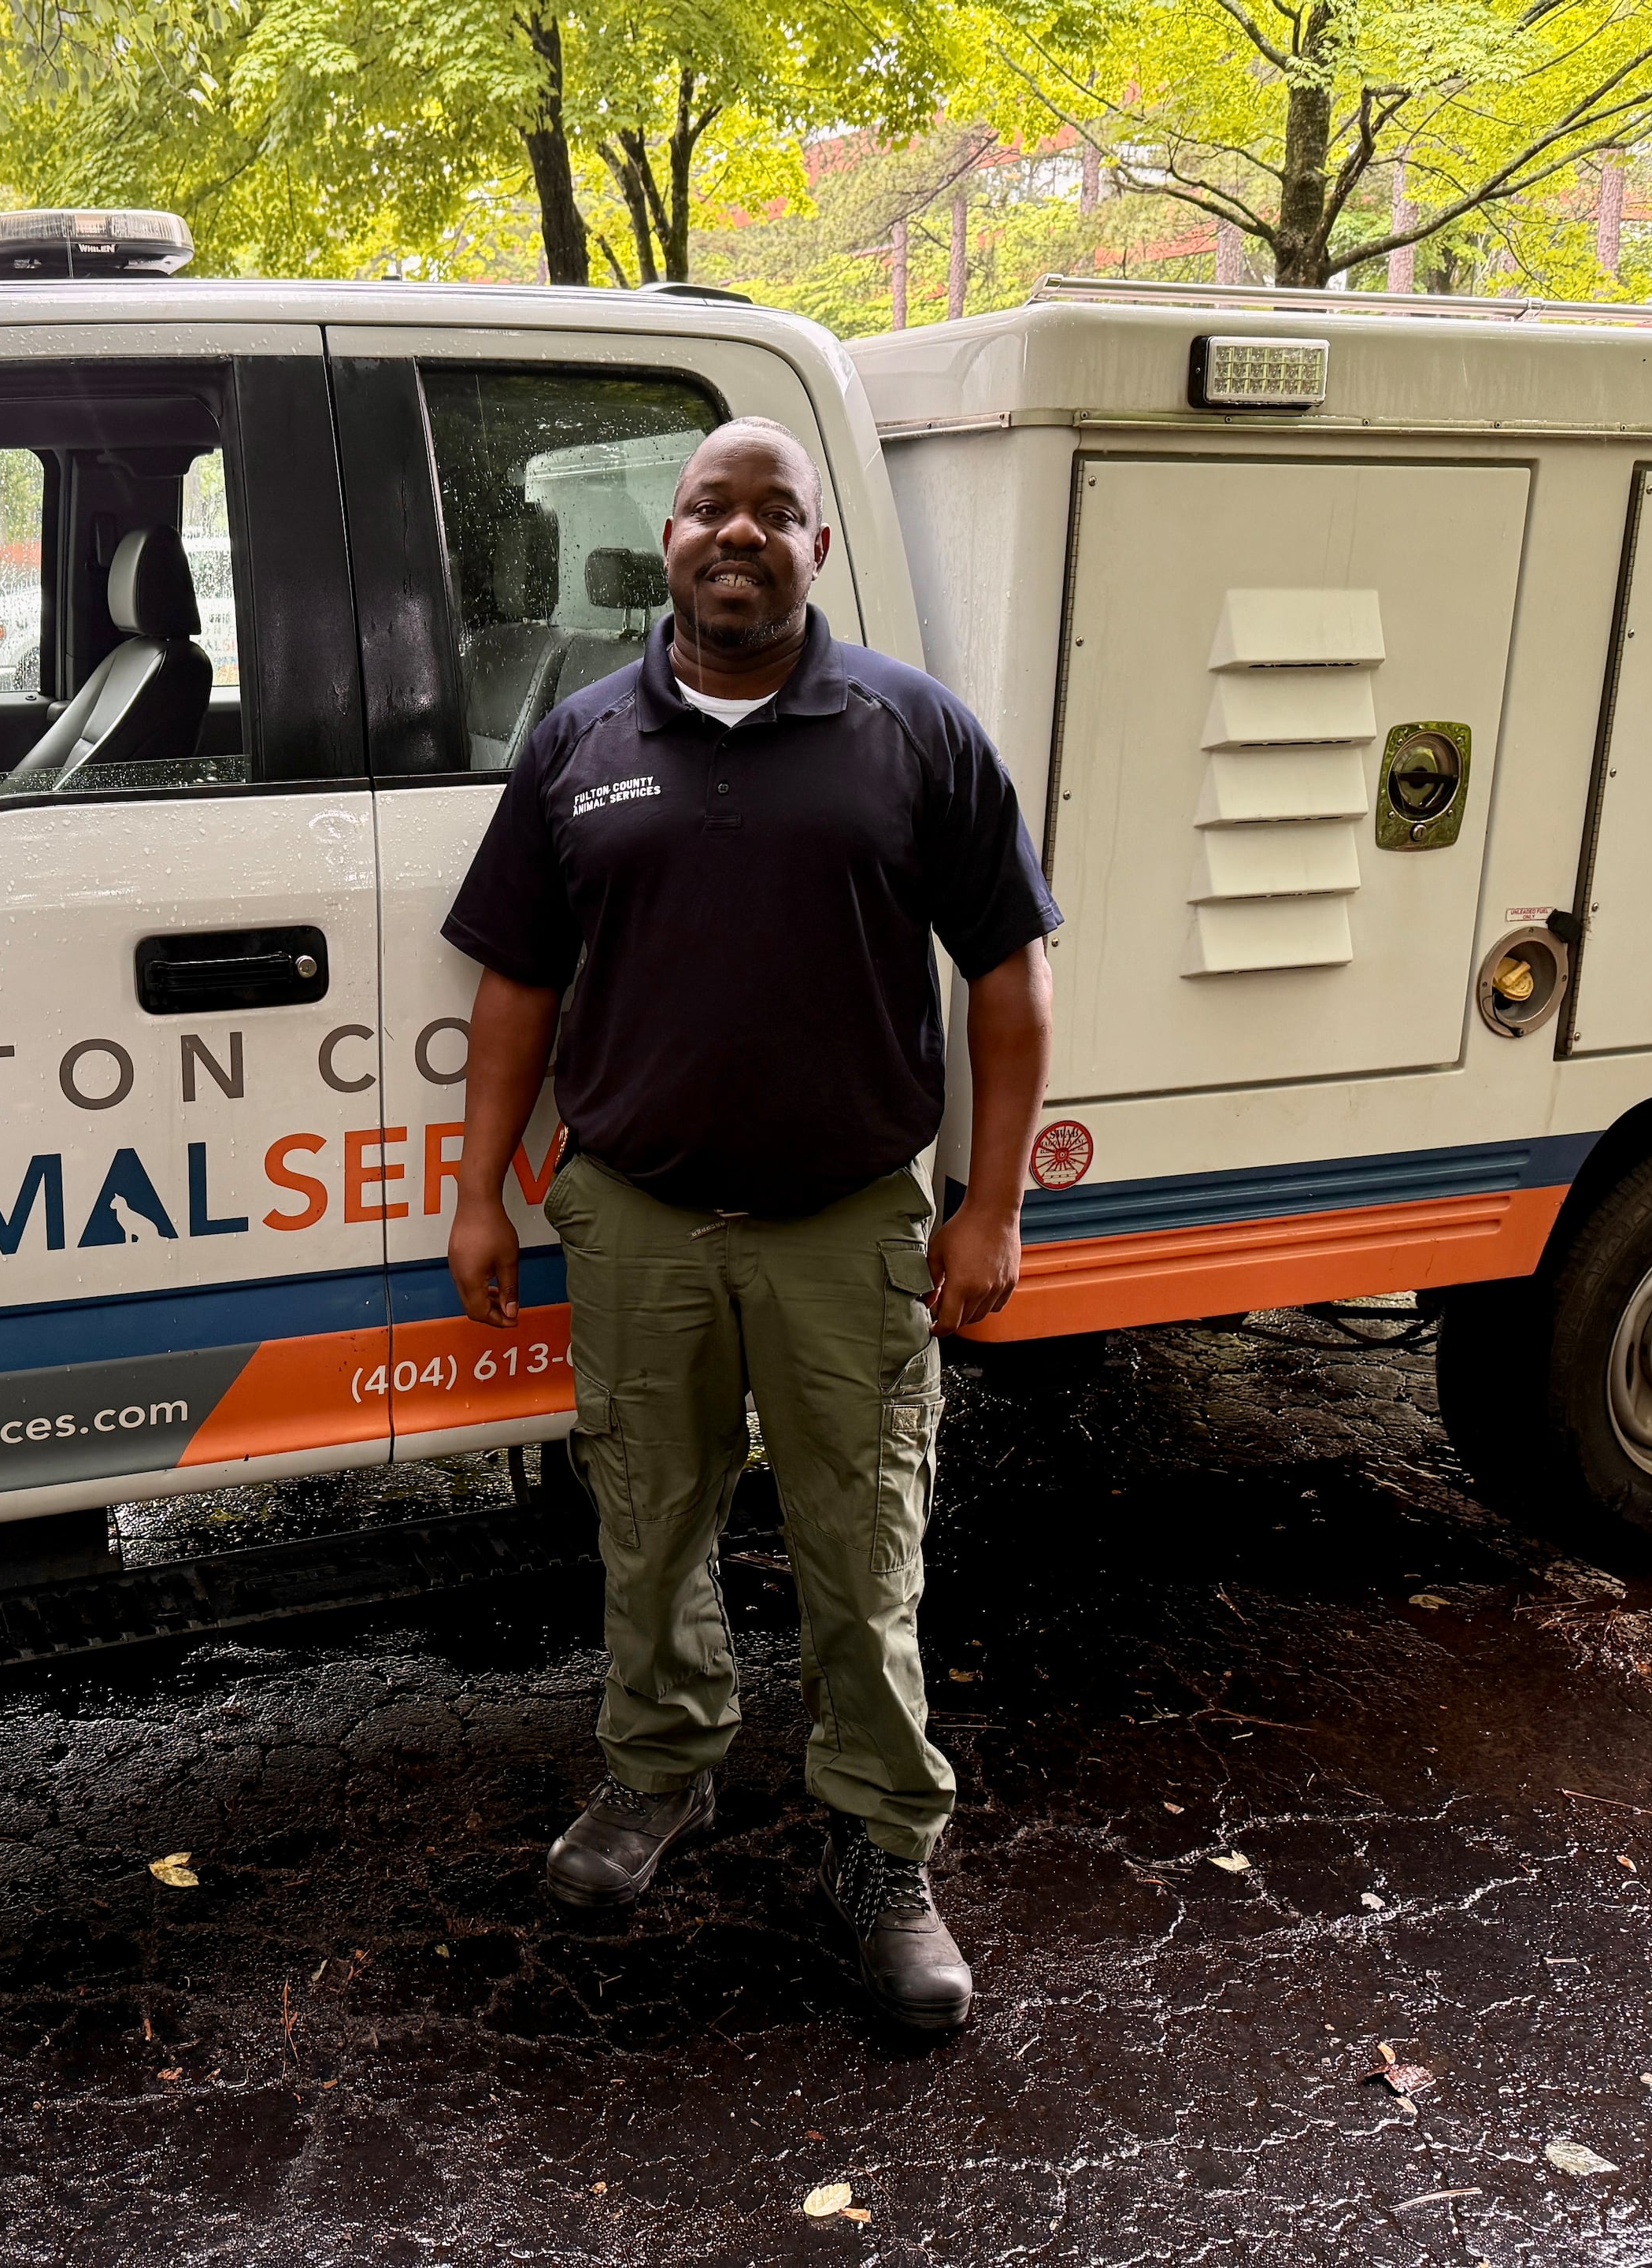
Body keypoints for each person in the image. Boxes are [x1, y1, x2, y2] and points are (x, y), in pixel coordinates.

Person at [440, 417, 1058, 2031]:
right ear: (670, 540)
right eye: (712, 508)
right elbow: (518, 977)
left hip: (846, 1223)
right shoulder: (578, 741)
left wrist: (988, 1206)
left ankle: (883, 1846)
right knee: (649, 1526)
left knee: (865, 1556)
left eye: (773, 514)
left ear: (815, 549)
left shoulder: (916, 735)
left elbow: (1010, 976)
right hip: (639, 1222)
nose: (740, 535)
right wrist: (476, 1187)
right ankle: (662, 1774)